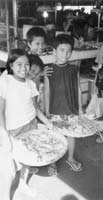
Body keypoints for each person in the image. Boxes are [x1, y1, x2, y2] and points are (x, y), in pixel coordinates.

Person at [0, 49, 53, 199]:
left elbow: (34, 108)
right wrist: (3, 133)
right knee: (9, 168)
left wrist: (47, 122)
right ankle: (4, 196)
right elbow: (0, 110)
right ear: (11, 65)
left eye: (27, 65)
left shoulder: (30, 84)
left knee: (27, 160)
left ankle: (23, 184)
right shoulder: (5, 81)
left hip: (31, 126)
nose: (24, 68)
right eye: (19, 64)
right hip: (13, 130)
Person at [44, 34, 83, 175]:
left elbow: (78, 88)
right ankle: (53, 161)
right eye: (61, 50)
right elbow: (47, 92)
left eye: (69, 51)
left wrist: (80, 109)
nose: (66, 54)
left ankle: (70, 158)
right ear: (54, 51)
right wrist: (47, 111)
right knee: (55, 136)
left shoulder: (74, 69)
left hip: (71, 109)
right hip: (55, 109)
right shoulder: (49, 70)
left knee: (71, 135)